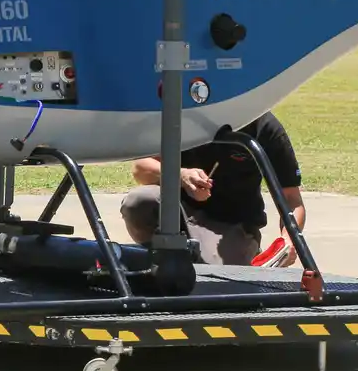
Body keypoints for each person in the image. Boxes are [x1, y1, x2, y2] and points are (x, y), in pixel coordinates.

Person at [119, 111, 306, 267]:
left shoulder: (264, 126)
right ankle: (162, 254)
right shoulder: (182, 115)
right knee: (138, 201)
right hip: (178, 214)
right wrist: (181, 175)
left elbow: (292, 198)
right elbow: (140, 169)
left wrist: (289, 240)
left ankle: (243, 249)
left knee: (218, 278)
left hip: (233, 224)